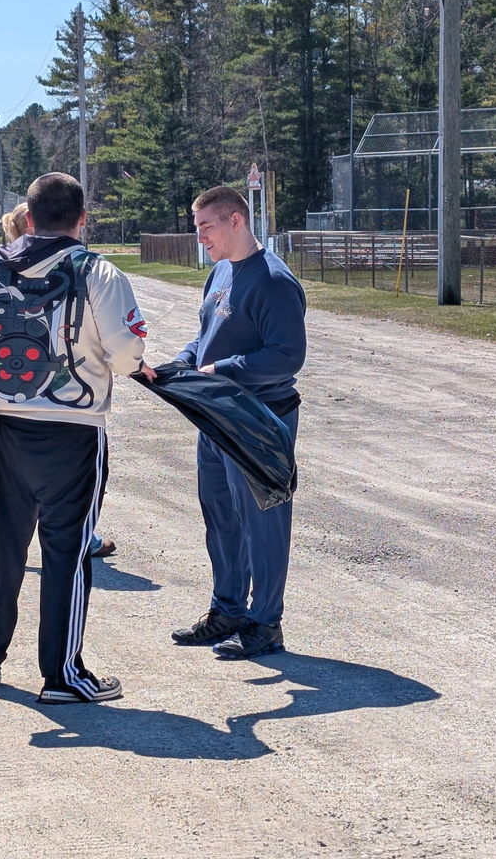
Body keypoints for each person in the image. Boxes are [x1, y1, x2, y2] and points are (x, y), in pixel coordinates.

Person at [0, 172, 154, 703]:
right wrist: (129, 366)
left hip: (5, 424)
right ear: (82, 218)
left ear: (28, 218)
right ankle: (62, 674)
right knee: (67, 552)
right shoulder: (98, 270)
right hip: (74, 430)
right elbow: (125, 352)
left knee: (4, 544)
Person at [171, 185, 306, 659]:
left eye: (207, 226)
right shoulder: (221, 273)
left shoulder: (273, 280)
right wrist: (185, 360)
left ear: (236, 221)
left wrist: (221, 370)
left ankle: (265, 623)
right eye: (197, 228)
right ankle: (227, 610)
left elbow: (288, 355)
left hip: (258, 421)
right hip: (217, 416)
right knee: (221, 517)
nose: (200, 237)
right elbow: (209, 334)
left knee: (262, 524)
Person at [0, 201, 116, 560]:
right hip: (64, 405)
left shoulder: (5, 272)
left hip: (15, 403)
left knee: (12, 491)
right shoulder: (73, 270)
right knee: (66, 485)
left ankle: (0, 547)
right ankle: (81, 540)